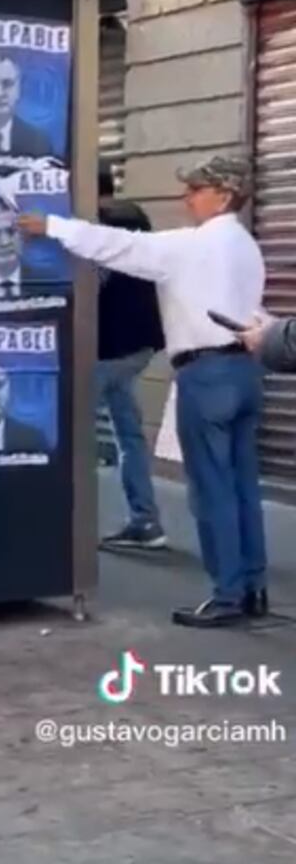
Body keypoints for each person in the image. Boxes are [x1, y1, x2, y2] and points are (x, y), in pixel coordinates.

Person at [19, 156, 268, 628]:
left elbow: (120, 246)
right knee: (241, 487)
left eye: (195, 189)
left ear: (224, 195)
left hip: (205, 373)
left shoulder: (194, 246)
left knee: (211, 489)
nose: (186, 198)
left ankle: (227, 594)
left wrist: (52, 224)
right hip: (244, 372)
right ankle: (252, 587)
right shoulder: (247, 247)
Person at [96, 162, 167, 550]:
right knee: (129, 434)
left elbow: (95, 286)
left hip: (105, 348)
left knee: (70, 437)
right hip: (139, 346)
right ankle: (146, 520)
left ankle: (63, 527)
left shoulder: (99, 227)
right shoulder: (137, 219)